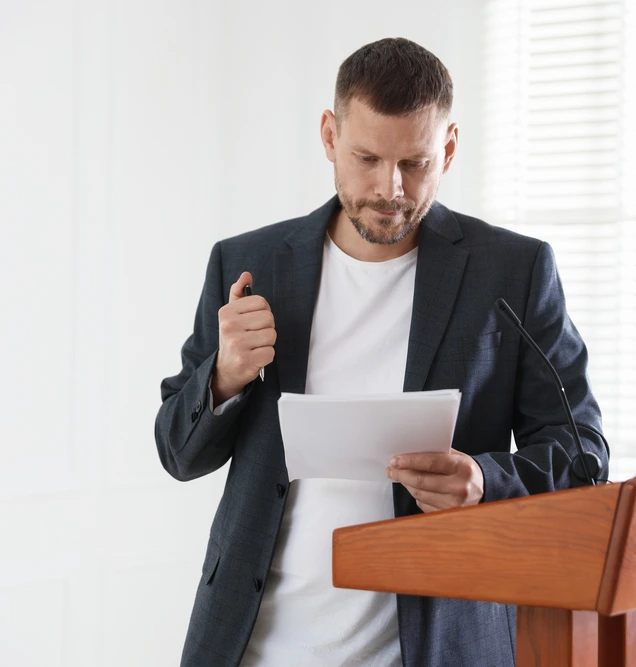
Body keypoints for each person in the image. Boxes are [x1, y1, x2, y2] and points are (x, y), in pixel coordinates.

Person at [155, 37, 608, 667]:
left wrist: (484, 480)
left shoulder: (514, 270)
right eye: (366, 158)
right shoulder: (247, 263)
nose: (389, 188)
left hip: (438, 646)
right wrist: (225, 376)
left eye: (415, 163)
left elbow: (583, 453)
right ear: (329, 135)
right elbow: (177, 454)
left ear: (449, 147)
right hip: (250, 647)